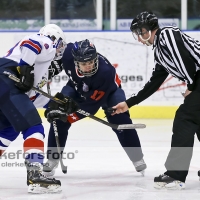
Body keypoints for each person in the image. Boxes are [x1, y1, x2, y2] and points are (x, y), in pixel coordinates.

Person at [111, 11, 200, 190]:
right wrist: (129, 103)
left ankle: (175, 174)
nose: (139, 37)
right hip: (197, 79)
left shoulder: (167, 34)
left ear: (148, 29)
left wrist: (191, 85)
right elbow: (154, 83)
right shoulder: (159, 53)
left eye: (140, 32)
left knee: (185, 118)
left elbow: (185, 60)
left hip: (197, 79)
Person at [42, 39, 147, 177]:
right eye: (84, 64)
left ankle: (137, 157)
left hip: (110, 92)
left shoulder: (105, 73)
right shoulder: (68, 53)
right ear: (75, 61)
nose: (89, 66)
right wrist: (47, 72)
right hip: (76, 87)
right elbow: (56, 58)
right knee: (59, 117)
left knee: (120, 119)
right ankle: (52, 158)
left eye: (91, 62)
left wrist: (70, 116)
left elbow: (91, 107)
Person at [0, 24, 77, 193]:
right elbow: (31, 42)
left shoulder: (39, 68)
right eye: (61, 45)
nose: (60, 51)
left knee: (8, 130)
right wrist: (25, 68)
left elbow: (33, 100)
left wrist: (57, 104)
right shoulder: (47, 44)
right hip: (5, 78)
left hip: (5, 88)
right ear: (56, 39)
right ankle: (35, 175)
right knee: (33, 126)